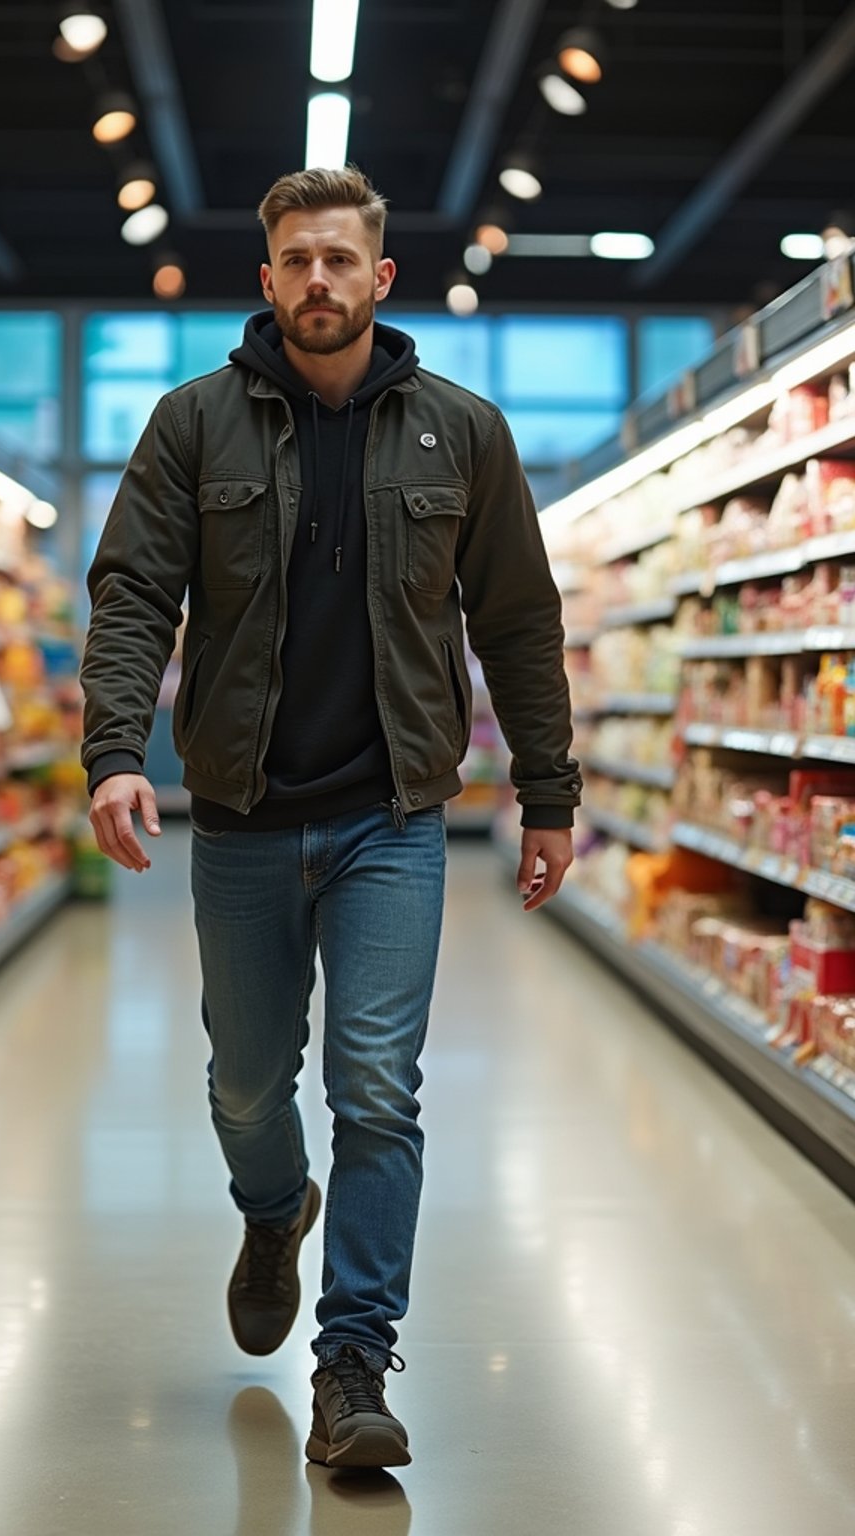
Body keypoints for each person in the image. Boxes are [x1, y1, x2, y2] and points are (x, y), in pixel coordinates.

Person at [79, 164, 582, 1470]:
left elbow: (520, 624)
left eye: (339, 262)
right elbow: (134, 594)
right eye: (296, 261)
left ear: (379, 277)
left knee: (376, 1088)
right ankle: (270, 1204)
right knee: (250, 1083)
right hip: (240, 816)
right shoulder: (194, 425)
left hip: (392, 822)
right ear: (267, 280)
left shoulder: (461, 433)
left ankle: (352, 1362)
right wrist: (115, 751)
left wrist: (548, 791)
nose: (318, 282)